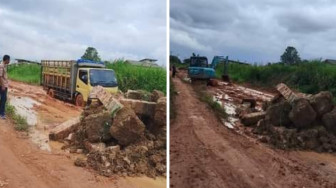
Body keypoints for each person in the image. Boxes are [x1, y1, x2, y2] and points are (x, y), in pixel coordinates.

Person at [0, 55, 10, 119]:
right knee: (4, 99)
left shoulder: (4, 65)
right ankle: (2, 114)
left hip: (4, 85)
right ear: (6, 60)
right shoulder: (1, 66)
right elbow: (0, 76)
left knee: (3, 99)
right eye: (9, 60)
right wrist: (3, 85)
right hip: (2, 85)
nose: (9, 61)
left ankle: (1, 111)